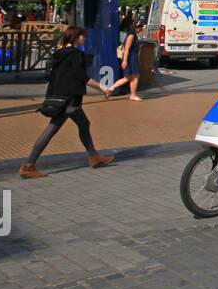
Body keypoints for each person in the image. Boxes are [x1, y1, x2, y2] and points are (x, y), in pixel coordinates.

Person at [20, 26, 114, 179]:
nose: (85, 39)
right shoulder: (76, 55)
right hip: (70, 99)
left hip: (58, 97)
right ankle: (29, 166)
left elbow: (51, 76)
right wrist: (102, 87)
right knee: (56, 129)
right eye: (84, 37)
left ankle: (93, 156)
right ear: (76, 37)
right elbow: (82, 77)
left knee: (79, 124)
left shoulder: (58, 53)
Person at [106, 19, 146, 101]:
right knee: (134, 77)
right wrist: (125, 61)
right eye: (141, 27)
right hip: (130, 59)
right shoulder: (131, 36)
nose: (142, 29)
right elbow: (126, 49)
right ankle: (133, 95)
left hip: (132, 58)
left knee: (128, 78)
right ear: (136, 27)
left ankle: (111, 88)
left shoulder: (133, 35)